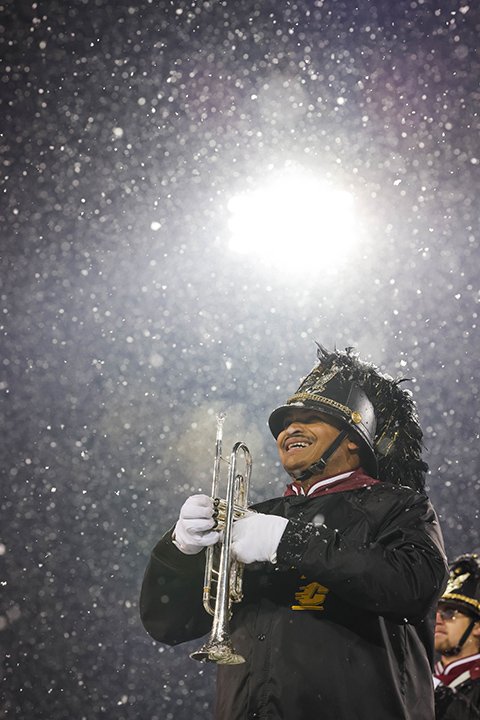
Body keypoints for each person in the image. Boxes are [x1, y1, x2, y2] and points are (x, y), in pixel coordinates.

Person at [140, 345, 448, 719]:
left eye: (312, 417)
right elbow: (169, 623)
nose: (290, 429)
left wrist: (287, 541)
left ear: (354, 438)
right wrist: (180, 550)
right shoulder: (256, 516)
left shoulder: (399, 506)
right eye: (286, 423)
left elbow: (414, 587)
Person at [434, 554, 480, 719]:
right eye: (434, 612)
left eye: (449, 612)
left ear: (478, 626)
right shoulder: (417, 677)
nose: (437, 620)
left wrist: (439, 693)